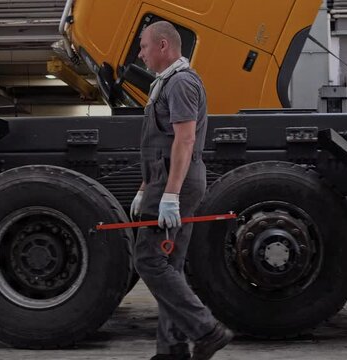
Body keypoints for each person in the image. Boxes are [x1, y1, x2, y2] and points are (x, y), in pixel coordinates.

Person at [130, 21, 234, 360]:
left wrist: (170, 194)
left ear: (163, 46)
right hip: (164, 180)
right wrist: (146, 187)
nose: (140, 53)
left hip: (177, 182)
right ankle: (172, 350)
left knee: (148, 259)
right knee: (168, 265)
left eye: (144, 46)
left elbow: (185, 140)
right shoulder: (164, 84)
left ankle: (206, 330)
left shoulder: (181, 83)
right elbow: (158, 143)